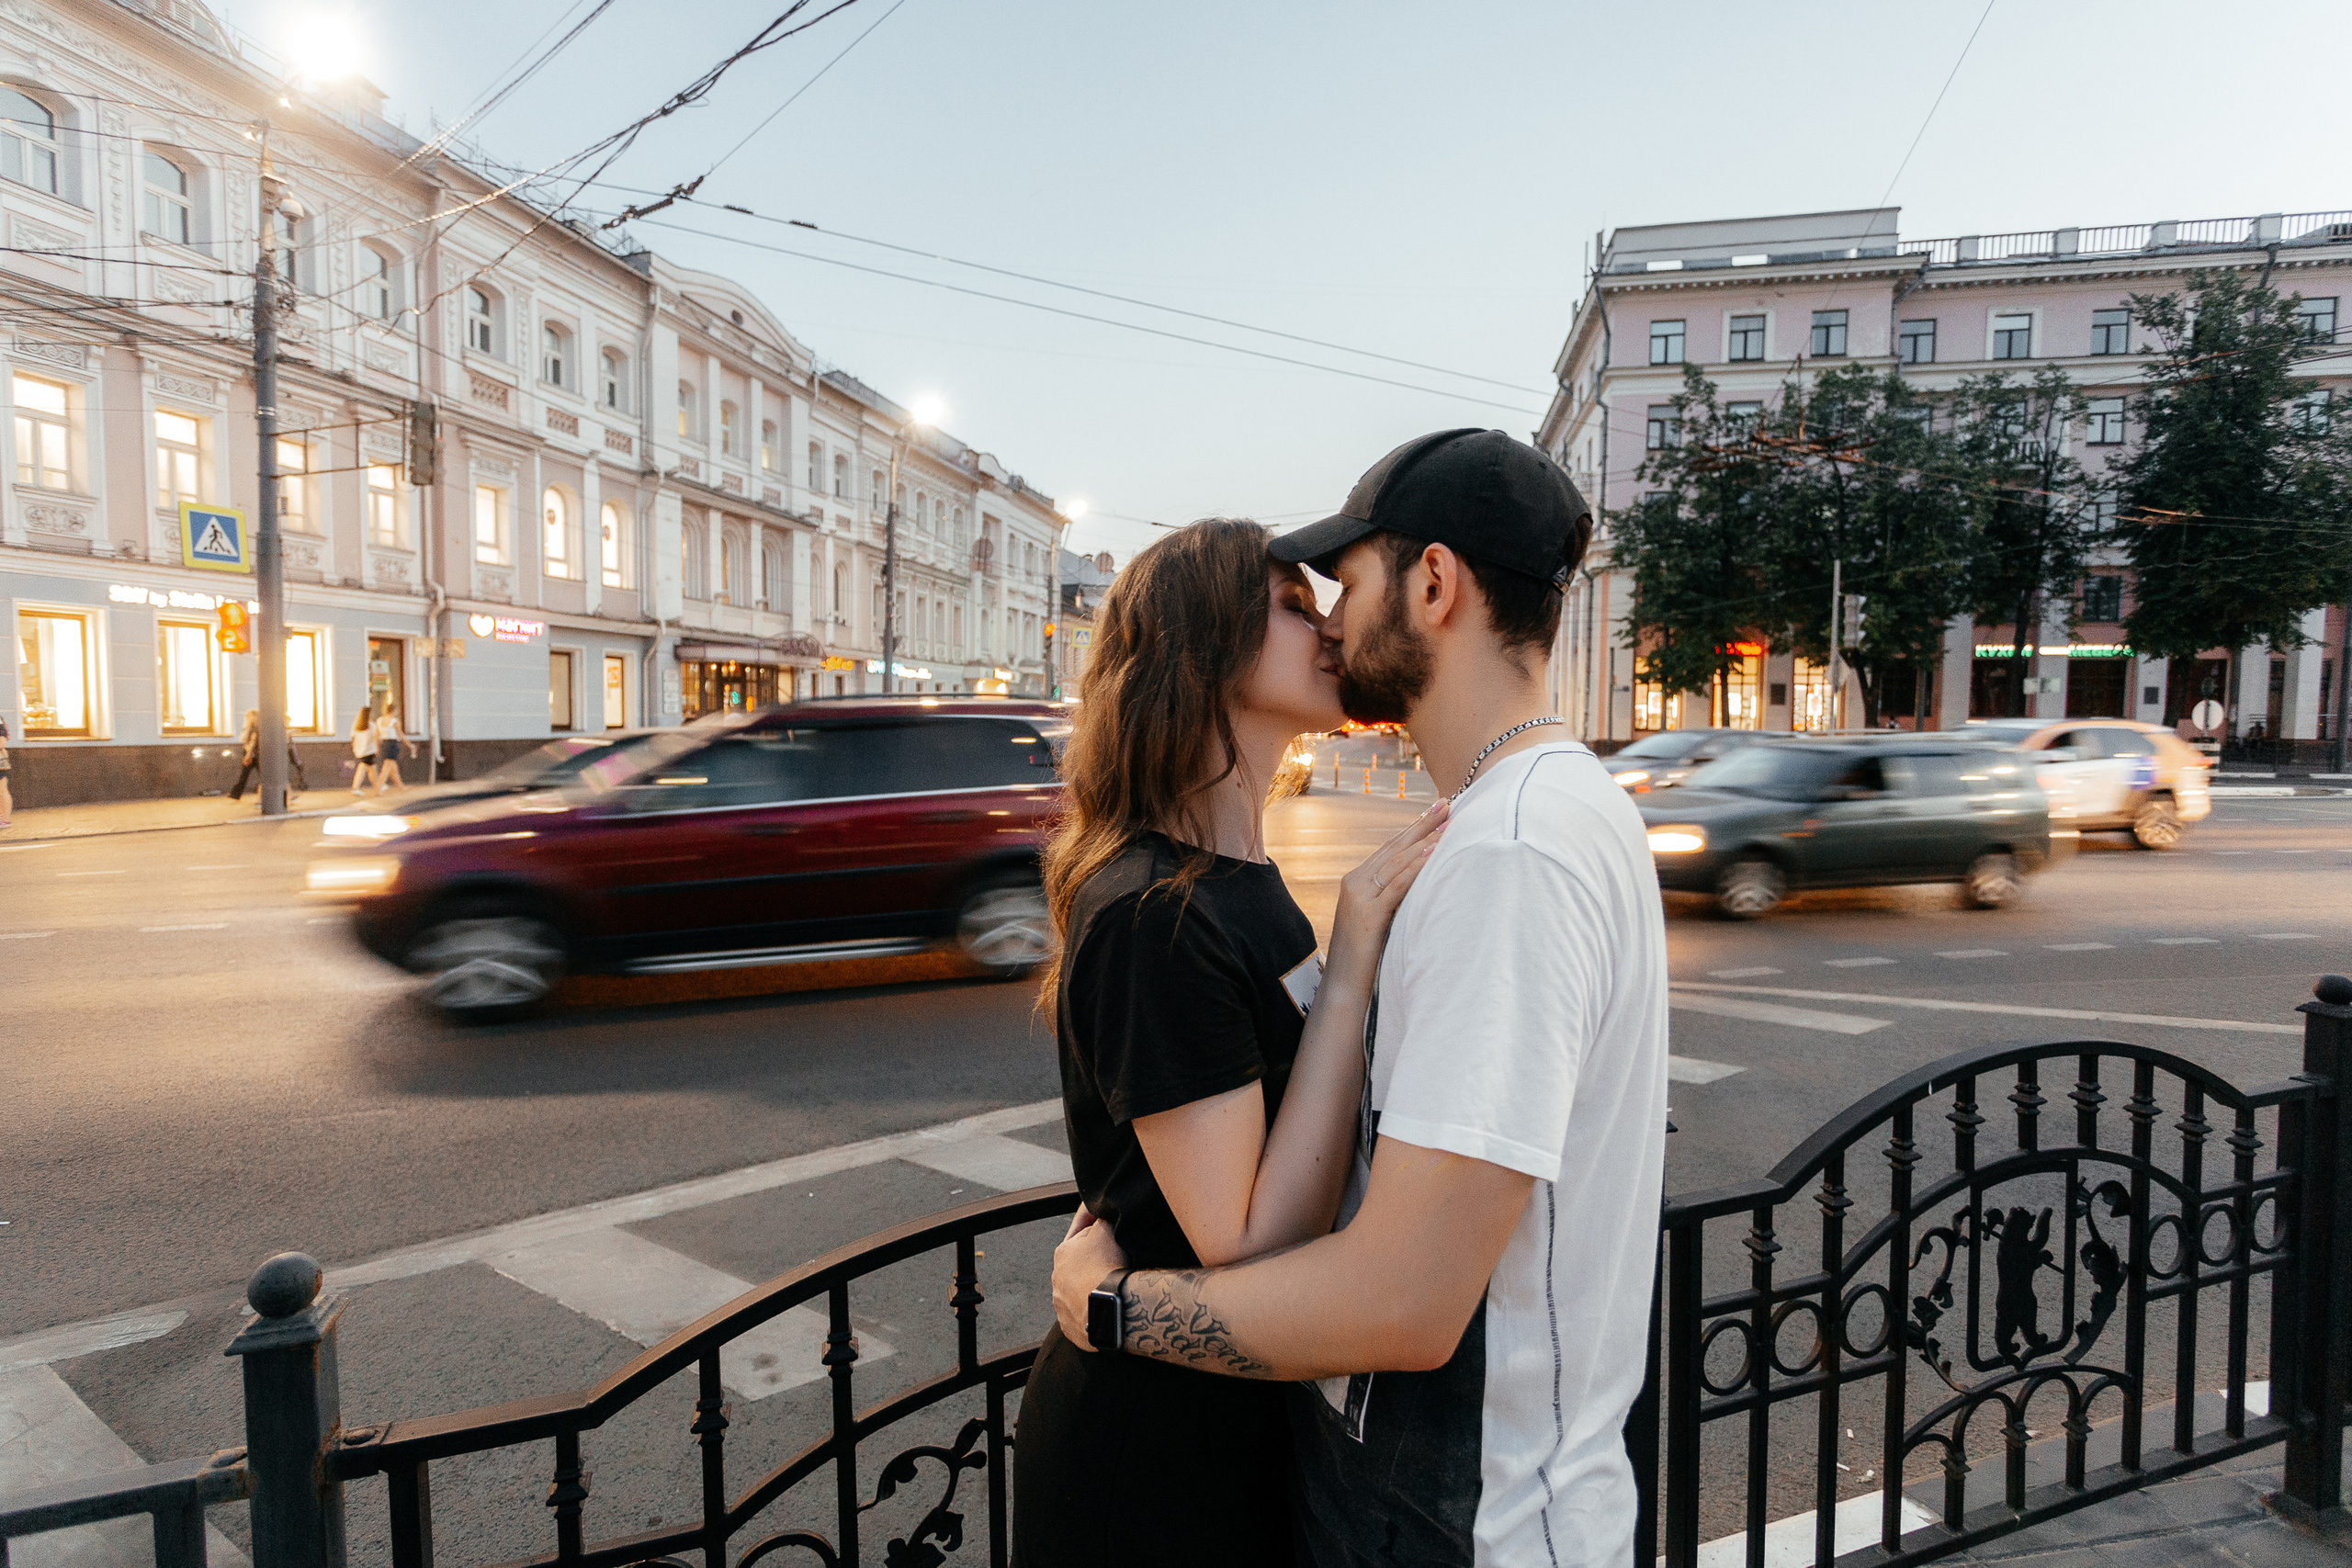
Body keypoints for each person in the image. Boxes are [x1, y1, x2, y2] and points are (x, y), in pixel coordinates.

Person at [1050, 430, 1670, 1567]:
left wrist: (1113, 1306)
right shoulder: (1542, 812)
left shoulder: (1512, 850)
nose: (1332, 619)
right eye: (1298, 600)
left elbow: (1404, 1299)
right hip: (1305, 1469)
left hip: (1470, 1511)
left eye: (1345, 582)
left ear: (1433, 584)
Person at [1014, 517, 1447, 1567]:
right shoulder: (1153, 911)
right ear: (1207, 646)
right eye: (1296, 611)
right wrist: (1351, 965)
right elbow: (1248, 1243)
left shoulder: (1235, 880)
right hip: (1156, 1455)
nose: (1333, 631)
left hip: (1231, 1408)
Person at [228, 709, 308, 801]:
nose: (252, 719)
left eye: (254, 717)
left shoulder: (258, 728)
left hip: (257, 755)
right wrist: (248, 754)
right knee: (259, 777)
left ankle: (245, 796)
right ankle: (252, 798)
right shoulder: (254, 729)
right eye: (250, 717)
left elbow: (252, 743)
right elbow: (251, 743)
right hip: (256, 755)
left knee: (262, 778)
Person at [371, 708, 405, 794]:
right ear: (394, 711)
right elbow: (401, 735)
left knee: (393, 768)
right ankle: (378, 788)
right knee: (386, 768)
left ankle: (401, 787)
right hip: (392, 744)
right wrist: (410, 745)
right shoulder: (394, 721)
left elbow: (376, 735)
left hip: (384, 744)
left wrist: (377, 747)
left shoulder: (379, 720)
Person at [348, 707, 378, 795]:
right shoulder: (371, 725)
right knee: (364, 768)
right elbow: (375, 737)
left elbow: (353, 737)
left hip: (360, 750)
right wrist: (377, 748)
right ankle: (355, 788)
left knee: (372, 769)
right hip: (370, 750)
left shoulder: (356, 725)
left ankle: (378, 786)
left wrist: (355, 748)